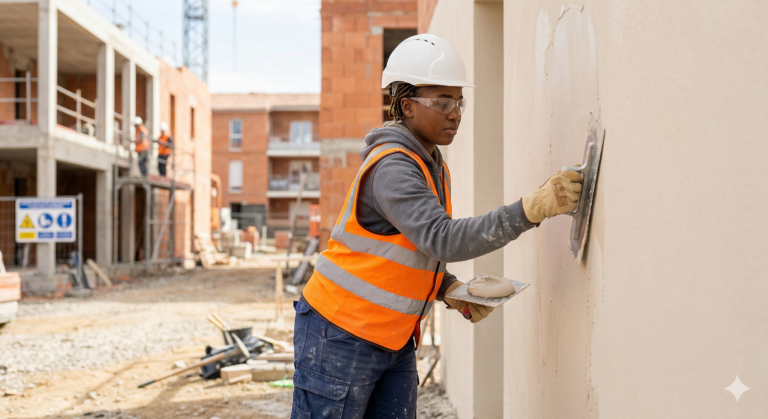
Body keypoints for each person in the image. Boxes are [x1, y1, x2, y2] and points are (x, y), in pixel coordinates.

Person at [290, 34, 583, 419]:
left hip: (394, 338)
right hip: (341, 332)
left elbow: (415, 247)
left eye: (459, 101)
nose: (455, 112)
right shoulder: (393, 166)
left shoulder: (432, 164)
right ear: (406, 106)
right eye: (441, 102)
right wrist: (530, 209)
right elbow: (442, 239)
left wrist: (447, 288)